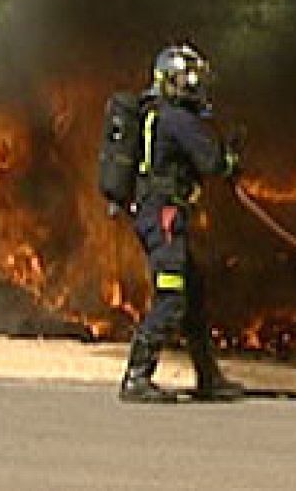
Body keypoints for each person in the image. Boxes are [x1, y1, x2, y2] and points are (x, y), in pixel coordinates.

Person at [119, 41, 245, 404]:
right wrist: (231, 157)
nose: (197, 88)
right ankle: (137, 376)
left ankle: (209, 377)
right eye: (191, 81)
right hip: (164, 216)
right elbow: (211, 163)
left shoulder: (158, 115)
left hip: (158, 212)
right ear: (173, 82)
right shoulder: (177, 119)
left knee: (193, 296)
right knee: (173, 297)